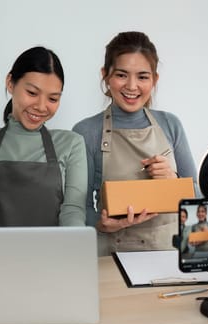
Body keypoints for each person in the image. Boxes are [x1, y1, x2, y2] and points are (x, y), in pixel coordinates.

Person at [72, 32, 197, 255]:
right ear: (106, 76)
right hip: (112, 257)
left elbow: (199, 199)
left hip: (171, 255)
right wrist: (100, 224)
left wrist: (173, 180)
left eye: (142, 76)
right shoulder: (86, 132)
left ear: (154, 80)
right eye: (121, 75)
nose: (132, 86)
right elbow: (79, 208)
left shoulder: (171, 124)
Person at [0, 46, 88, 227]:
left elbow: (73, 209)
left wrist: (72, 243)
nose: (41, 106)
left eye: (52, 99)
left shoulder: (71, 143)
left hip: (51, 252)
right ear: (10, 83)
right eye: (32, 93)